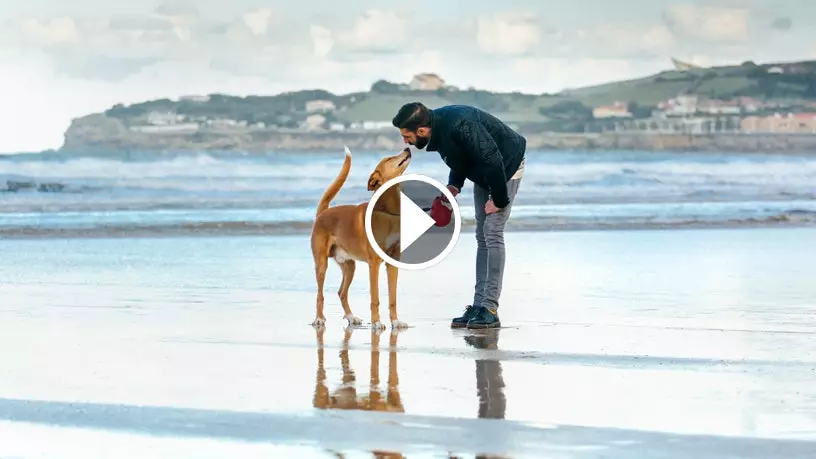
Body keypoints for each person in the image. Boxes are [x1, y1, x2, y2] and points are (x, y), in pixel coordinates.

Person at [391, 102, 525, 329]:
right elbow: (461, 155)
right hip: (486, 169)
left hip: (506, 166)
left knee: (492, 232)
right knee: (481, 236)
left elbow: (492, 159)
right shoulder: (438, 130)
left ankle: (490, 308)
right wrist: (454, 185)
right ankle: (479, 306)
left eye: (407, 136)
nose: (405, 142)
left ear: (422, 131)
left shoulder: (460, 124)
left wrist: (499, 200)